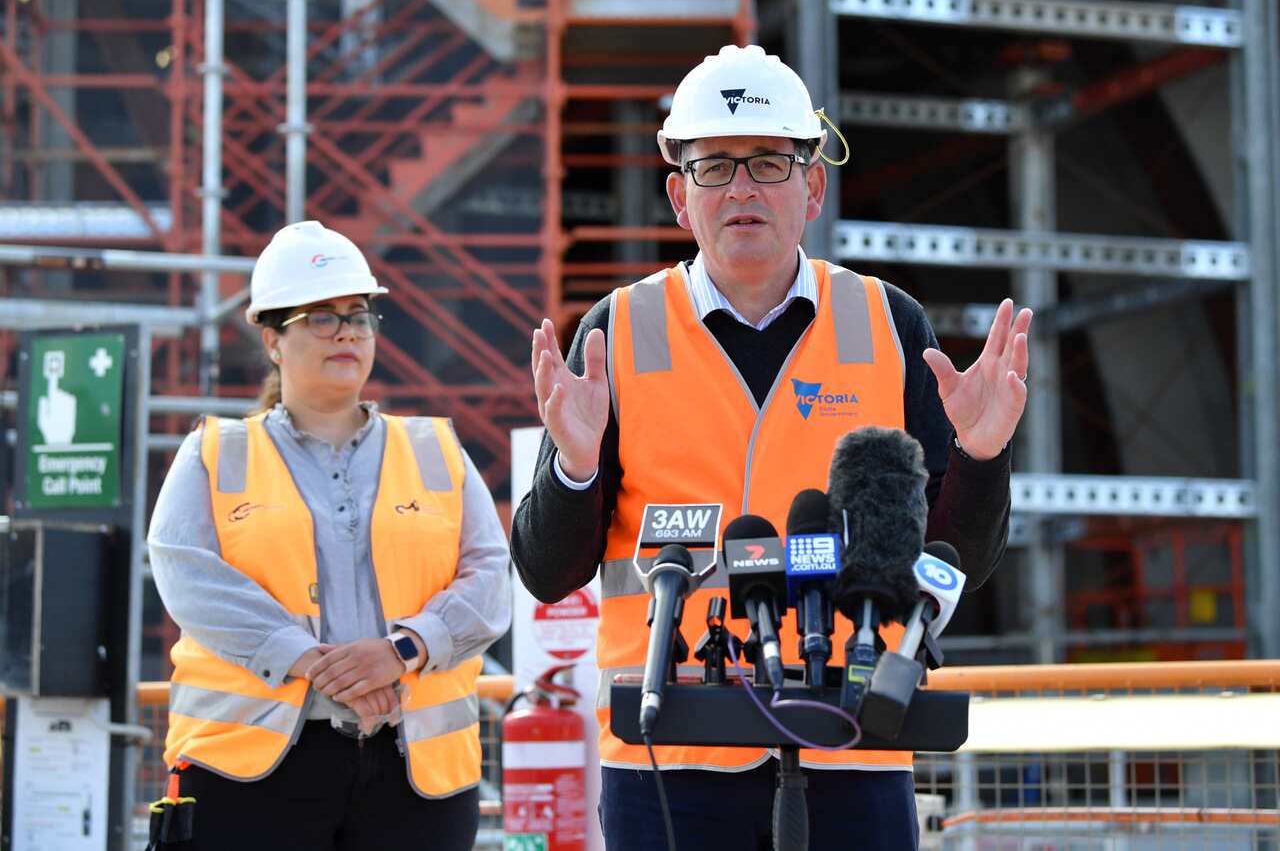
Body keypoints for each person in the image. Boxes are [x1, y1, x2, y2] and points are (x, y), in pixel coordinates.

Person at [511, 45, 1031, 850]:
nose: (743, 186)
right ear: (680, 196)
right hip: (669, 742)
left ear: (813, 185)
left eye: (768, 161)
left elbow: (956, 557)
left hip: (854, 735)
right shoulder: (617, 331)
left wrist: (984, 455)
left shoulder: (888, 323)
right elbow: (548, 571)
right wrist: (576, 466)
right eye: (715, 165)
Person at [148, 220, 511, 850]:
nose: (347, 331)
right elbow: (190, 577)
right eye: (321, 317)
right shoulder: (215, 452)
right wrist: (316, 665)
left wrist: (400, 651)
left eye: (359, 315)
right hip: (248, 772)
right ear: (272, 341)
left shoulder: (436, 449)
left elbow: (488, 580)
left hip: (414, 771)